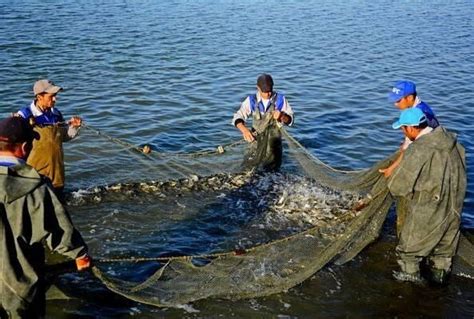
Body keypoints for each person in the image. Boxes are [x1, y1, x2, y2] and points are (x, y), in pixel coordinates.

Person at [0, 117, 91, 318]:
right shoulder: (37, 187)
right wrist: (80, 255)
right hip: (20, 285)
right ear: (25, 147)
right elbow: (59, 231)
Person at [386, 107, 466, 285]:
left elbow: (398, 186)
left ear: (412, 128)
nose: (403, 131)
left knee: (409, 253)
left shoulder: (418, 149)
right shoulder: (454, 143)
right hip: (454, 208)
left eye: (403, 128)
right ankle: (439, 291)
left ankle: (410, 292)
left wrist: (390, 178)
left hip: (429, 208)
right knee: (444, 254)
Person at [15, 79, 83, 201]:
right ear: (39, 96)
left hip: (57, 172)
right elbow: (12, 144)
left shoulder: (56, 114)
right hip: (34, 174)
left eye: (55, 96)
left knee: (58, 206)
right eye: (51, 96)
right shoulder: (24, 115)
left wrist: (74, 127)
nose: (55, 99)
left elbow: (63, 137)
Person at [232, 74, 294, 170]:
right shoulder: (251, 100)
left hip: (273, 146)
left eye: (270, 91)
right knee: (247, 168)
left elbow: (290, 120)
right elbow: (238, 116)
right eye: (264, 91)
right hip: (255, 142)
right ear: (258, 88)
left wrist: (282, 116)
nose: (268, 94)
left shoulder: (280, 100)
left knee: (272, 171)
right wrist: (244, 130)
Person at [379, 80, 439, 178]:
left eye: (398, 101)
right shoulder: (414, 108)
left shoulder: (420, 114)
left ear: (410, 98)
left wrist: (391, 168)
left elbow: (413, 145)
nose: (395, 104)